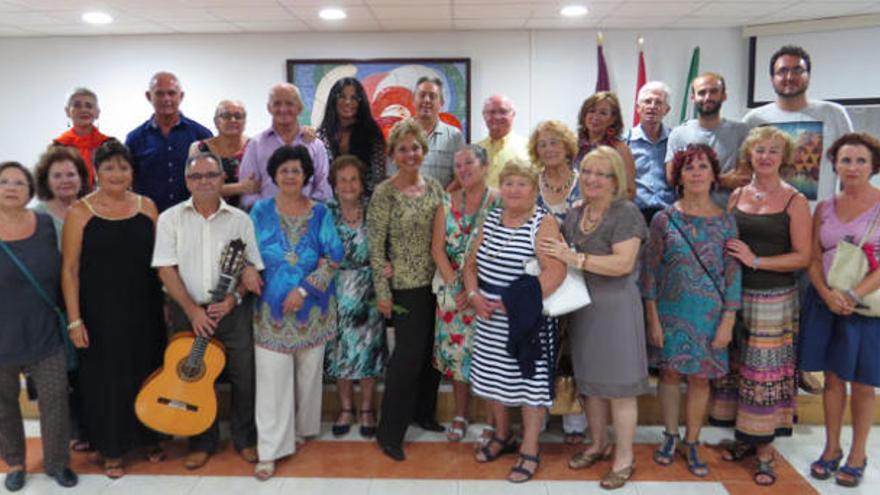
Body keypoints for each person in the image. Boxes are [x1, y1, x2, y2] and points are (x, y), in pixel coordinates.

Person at [540, 146, 649, 490]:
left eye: (601, 174)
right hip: (583, 309)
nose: (592, 179)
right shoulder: (576, 214)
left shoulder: (626, 213)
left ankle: (625, 457)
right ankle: (598, 444)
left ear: (615, 179)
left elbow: (623, 264)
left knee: (619, 389)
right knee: (591, 387)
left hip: (616, 309)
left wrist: (578, 259)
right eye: (587, 172)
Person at [152, 152, 265, 470]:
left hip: (232, 312)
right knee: (195, 378)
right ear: (187, 181)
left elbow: (253, 270)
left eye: (211, 175)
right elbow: (165, 270)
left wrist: (233, 300)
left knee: (245, 376)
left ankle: (244, 439)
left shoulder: (240, 220)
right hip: (186, 311)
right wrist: (191, 310)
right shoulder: (169, 219)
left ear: (222, 179)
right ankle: (201, 441)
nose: (204, 181)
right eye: (197, 176)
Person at [61, 139, 167, 478]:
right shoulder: (80, 212)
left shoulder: (148, 207)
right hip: (99, 312)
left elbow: (161, 262)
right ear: (96, 172)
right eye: (108, 167)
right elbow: (70, 270)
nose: (116, 173)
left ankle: (149, 436)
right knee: (105, 381)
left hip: (145, 307)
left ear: (132, 172)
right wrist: (75, 319)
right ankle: (112, 448)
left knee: (147, 371)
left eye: (123, 167)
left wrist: (165, 303)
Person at [714, 126, 811, 486]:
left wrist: (756, 261)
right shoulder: (736, 193)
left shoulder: (794, 200)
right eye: (760, 151)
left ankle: (766, 450)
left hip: (774, 297)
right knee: (737, 368)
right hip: (735, 295)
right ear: (749, 156)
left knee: (764, 374)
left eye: (773, 151)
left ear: (783, 158)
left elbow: (803, 256)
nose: (766, 156)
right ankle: (745, 438)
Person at [641, 144, 742, 478]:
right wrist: (652, 317)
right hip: (670, 312)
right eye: (689, 167)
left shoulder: (727, 221)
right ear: (679, 177)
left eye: (703, 167)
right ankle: (670, 436)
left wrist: (729, 320)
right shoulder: (663, 218)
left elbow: (732, 274)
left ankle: (693, 440)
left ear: (714, 175)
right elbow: (650, 273)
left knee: (701, 379)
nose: (696, 173)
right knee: (669, 374)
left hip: (711, 316)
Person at [465, 159, 566, 483]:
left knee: (529, 386)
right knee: (494, 380)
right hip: (489, 318)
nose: (513, 189)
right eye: (508, 183)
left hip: (525, 322)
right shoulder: (491, 218)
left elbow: (556, 272)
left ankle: (530, 449)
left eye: (521, 183)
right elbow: (470, 264)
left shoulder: (543, 222)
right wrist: (473, 295)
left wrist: (515, 304)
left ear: (534, 190)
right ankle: (501, 435)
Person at [249, 145, 343, 480]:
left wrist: (304, 290)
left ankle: (301, 431)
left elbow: (334, 256)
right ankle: (270, 451)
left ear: (306, 176)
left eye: (297, 170)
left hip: (312, 310)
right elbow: (245, 252)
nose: (290, 176)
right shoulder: (258, 211)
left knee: (308, 377)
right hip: (270, 312)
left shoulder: (321, 213)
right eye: (284, 170)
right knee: (272, 381)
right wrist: (247, 269)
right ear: (274, 175)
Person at [800, 133, 880, 488]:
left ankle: (857, 454)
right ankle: (830, 449)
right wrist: (826, 293)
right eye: (846, 160)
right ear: (835, 164)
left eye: (860, 160)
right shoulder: (825, 207)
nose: (853, 167)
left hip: (866, 307)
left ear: (873, 166)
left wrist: (850, 293)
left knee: (863, 384)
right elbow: (814, 257)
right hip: (826, 303)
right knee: (832, 380)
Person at [368, 118, 446, 461]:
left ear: (423, 150)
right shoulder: (384, 192)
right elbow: (374, 246)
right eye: (403, 149)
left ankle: (423, 413)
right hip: (404, 286)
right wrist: (383, 291)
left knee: (432, 355)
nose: (410, 154)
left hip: (436, 284)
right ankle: (390, 433)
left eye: (415, 147)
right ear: (393, 155)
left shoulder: (435, 188)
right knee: (407, 358)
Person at [0, 162, 78, 491]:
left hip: (45, 329)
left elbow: (66, 270)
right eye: (3, 181)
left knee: (55, 398)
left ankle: (57, 462)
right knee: (3, 403)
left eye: (19, 182)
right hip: (2, 334)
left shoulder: (46, 224)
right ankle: (15, 462)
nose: (11, 187)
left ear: (31, 190)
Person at [430, 145, 499, 442]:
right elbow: (437, 249)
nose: (463, 169)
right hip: (453, 293)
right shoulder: (446, 201)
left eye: (468, 163)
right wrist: (457, 288)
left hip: (489, 289)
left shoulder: (499, 200)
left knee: (490, 357)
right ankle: (460, 414)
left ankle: (493, 420)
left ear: (484, 166)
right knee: (459, 358)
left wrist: (475, 288)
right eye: (458, 166)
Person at [528, 120, 586, 444]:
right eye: (543, 144)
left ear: (567, 147)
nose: (549, 149)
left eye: (555, 143)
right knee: (541, 348)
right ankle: (540, 414)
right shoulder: (530, 184)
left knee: (573, 347)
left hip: (578, 275)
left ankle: (574, 420)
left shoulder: (584, 182)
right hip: (539, 278)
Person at [324, 155, 386, 439]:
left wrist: (388, 264)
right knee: (341, 353)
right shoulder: (325, 212)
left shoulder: (374, 210)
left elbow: (388, 244)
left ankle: (367, 409)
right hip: (335, 290)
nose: (348, 185)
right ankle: (346, 408)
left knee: (368, 352)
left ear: (362, 184)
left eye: (354, 179)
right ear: (334, 185)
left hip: (369, 289)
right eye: (342, 180)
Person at [744, 45, 853, 202]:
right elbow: (744, 171)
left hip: (820, 218)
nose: (789, 77)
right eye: (782, 71)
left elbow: (850, 169)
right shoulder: (754, 119)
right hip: (767, 219)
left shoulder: (834, 114)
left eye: (797, 70)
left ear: (808, 76)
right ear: (772, 78)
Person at [125, 71, 213, 212]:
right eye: (159, 94)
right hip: (150, 219)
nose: (166, 99)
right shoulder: (134, 139)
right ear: (149, 96)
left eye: (171, 93)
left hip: (193, 217)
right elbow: (127, 182)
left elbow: (212, 179)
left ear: (181, 96)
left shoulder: (201, 135)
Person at [239, 83, 332, 208]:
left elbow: (323, 188)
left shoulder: (315, 145)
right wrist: (267, 211)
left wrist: (304, 212)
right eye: (277, 104)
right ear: (268, 108)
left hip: (309, 219)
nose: (283, 109)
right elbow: (247, 192)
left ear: (300, 108)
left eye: (289, 104)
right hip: (265, 220)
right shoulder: (256, 145)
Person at [666, 72, 750, 207]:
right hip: (689, 214)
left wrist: (695, 178)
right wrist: (722, 180)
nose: (707, 97)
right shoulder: (678, 133)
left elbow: (743, 179)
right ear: (693, 97)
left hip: (729, 214)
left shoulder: (741, 131)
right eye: (702, 93)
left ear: (724, 96)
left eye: (713, 92)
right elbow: (672, 178)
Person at [387, 76, 463, 189]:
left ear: (441, 102)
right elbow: (391, 175)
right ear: (413, 100)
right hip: (404, 203)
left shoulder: (454, 136)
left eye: (432, 96)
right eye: (422, 95)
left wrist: (441, 201)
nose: (426, 100)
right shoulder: (398, 133)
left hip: (442, 204)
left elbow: (460, 177)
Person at [317, 77, 386, 196]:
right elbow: (318, 177)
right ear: (334, 100)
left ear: (361, 102)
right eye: (342, 96)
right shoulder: (321, 136)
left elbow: (378, 178)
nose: (348, 102)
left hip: (366, 204)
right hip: (329, 204)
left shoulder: (372, 133)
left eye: (354, 98)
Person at [187, 100, 254, 207]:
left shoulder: (254, 147)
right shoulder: (199, 148)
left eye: (238, 116)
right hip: (210, 214)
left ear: (245, 121)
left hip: (249, 215)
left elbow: (259, 186)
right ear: (216, 121)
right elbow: (195, 187)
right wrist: (241, 187)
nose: (233, 120)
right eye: (226, 116)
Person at [627, 81, 674, 225]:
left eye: (658, 102)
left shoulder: (676, 140)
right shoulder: (624, 142)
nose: (652, 107)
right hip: (635, 215)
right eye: (647, 101)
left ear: (667, 110)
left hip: (670, 216)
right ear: (638, 108)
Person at [574, 92, 636, 199]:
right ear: (584, 115)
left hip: (606, 210)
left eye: (603, 113)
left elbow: (629, 191)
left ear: (612, 119)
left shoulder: (620, 149)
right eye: (591, 111)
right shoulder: (572, 144)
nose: (595, 117)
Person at [33, 146, 89, 246]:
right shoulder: (35, 216)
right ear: (46, 181)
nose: (65, 181)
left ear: (81, 177)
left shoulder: (94, 212)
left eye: (71, 175)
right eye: (57, 176)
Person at [52, 87, 108, 188]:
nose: (83, 109)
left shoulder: (108, 145)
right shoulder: (58, 147)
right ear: (67, 111)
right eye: (77, 105)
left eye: (89, 106)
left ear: (97, 112)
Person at [477, 95, 528, 188]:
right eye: (492, 112)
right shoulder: (475, 150)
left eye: (503, 111)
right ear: (484, 116)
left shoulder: (528, 147)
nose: (497, 117)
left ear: (513, 114)